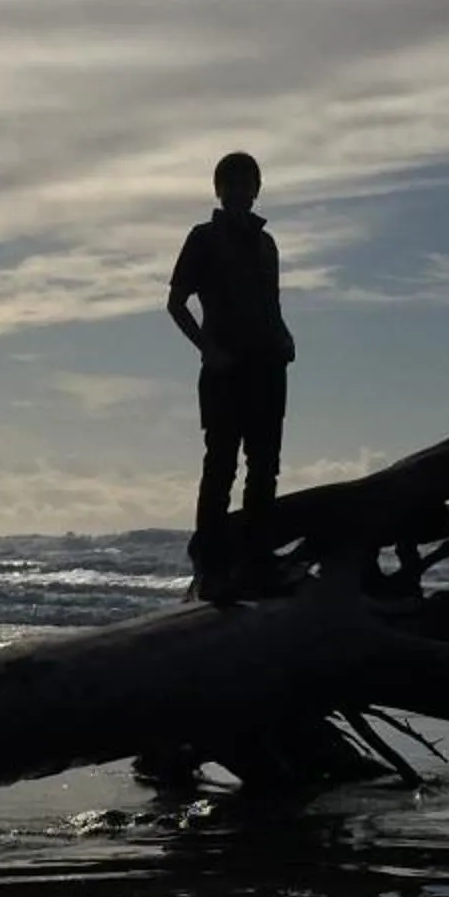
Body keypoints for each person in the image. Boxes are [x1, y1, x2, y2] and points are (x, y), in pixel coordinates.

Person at [166, 149, 295, 587]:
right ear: (219, 190)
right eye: (232, 184)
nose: (240, 191)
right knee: (221, 464)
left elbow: (270, 303)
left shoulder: (266, 244)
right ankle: (211, 562)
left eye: (247, 184)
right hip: (226, 369)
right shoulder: (203, 238)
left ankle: (258, 560)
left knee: (265, 467)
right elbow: (176, 303)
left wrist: (284, 336)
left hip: (268, 367)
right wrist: (208, 349)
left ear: (257, 190)